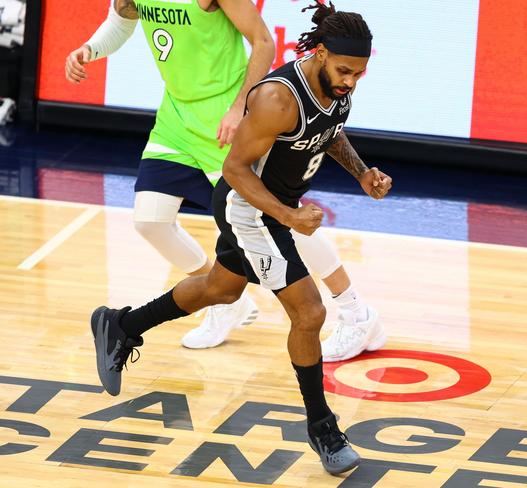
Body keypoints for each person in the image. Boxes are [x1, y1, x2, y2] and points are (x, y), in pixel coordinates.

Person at [90, 1, 392, 474]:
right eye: (345, 70)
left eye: (359, 73)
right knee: (309, 312)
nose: (352, 80)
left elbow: (329, 132)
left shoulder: (336, 85)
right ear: (319, 54)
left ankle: (121, 326)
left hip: (274, 209)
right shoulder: (277, 98)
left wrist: (361, 174)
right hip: (249, 209)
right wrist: (289, 216)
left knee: (220, 288)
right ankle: (323, 429)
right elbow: (234, 169)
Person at [65, 0, 385, 361]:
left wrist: (238, 108)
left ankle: (356, 312)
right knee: (151, 220)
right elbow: (121, 20)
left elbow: (264, 42)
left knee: (282, 218)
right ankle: (224, 302)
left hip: (226, 120)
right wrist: (91, 49)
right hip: (177, 117)